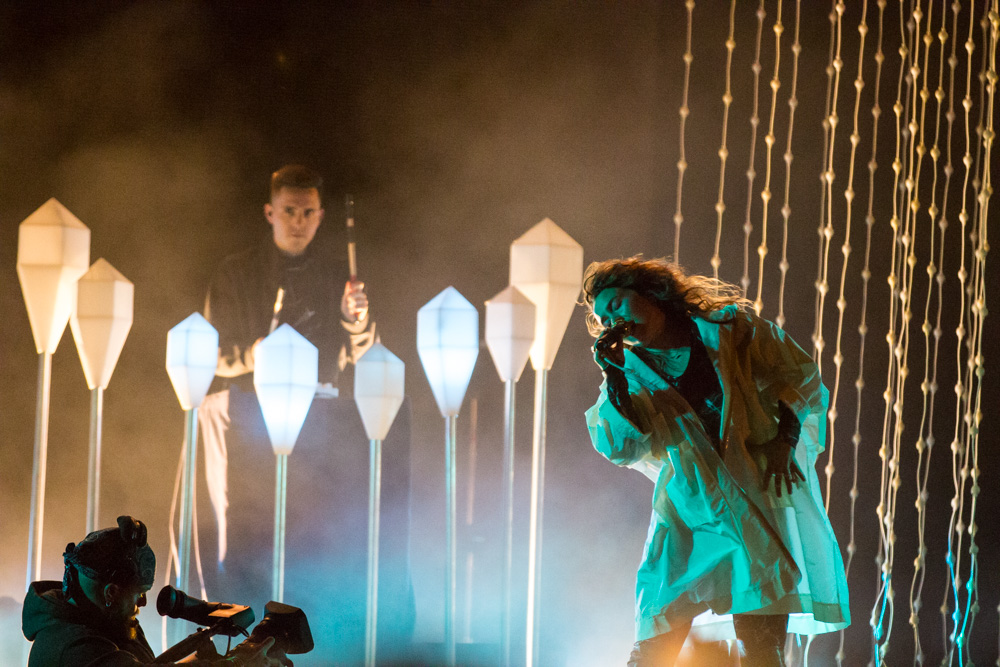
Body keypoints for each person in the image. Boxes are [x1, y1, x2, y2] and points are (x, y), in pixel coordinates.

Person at [583, 257, 850, 667]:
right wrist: (615, 377)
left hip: (753, 497)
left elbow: (797, 376)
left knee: (760, 645)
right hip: (689, 510)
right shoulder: (631, 372)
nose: (611, 320)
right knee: (655, 635)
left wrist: (785, 440)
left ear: (649, 292)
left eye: (616, 304)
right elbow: (622, 446)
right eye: (602, 318)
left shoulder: (730, 329)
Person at [198, 165, 414, 661]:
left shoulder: (340, 277)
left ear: (321, 216)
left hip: (321, 428)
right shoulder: (235, 273)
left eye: (308, 212)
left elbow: (363, 353)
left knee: (316, 537)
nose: (298, 221)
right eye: (289, 211)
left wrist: (356, 320)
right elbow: (210, 354)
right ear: (270, 212)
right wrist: (255, 354)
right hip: (249, 427)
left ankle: (319, 639)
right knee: (251, 535)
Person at [22, 515, 279, 666]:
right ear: (111, 593)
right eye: (138, 593)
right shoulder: (71, 647)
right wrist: (238, 663)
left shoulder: (109, 622)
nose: (143, 602)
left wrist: (203, 659)